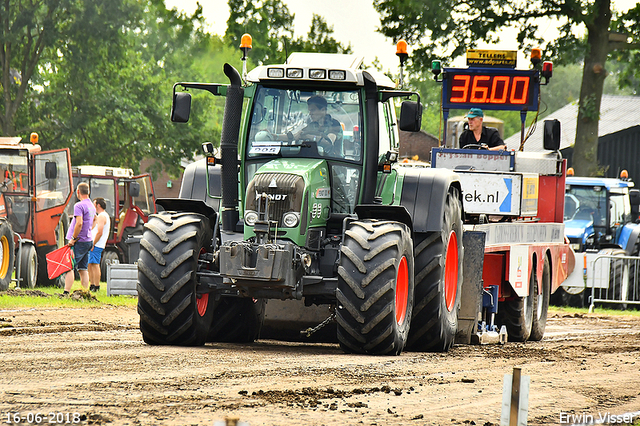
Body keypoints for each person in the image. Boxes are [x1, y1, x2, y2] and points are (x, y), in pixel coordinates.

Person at [63, 182, 95, 295]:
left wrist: (73, 238)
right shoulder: (92, 206)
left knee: (69, 266)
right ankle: (85, 292)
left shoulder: (79, 205)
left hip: (79, 241)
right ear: (88, 192)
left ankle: (66, 292)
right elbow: (93, 220)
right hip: (88, 240)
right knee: (83, 269)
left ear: (78, 192)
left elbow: (79, 223)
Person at [88, 197, 110, 292]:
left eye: (94, 204)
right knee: (90, 263)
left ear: (98, 205)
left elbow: (100, 232)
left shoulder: (102, 216)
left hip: (97, 244)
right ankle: (92, 283)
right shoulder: (100, 216)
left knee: (95, 264)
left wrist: (93, 243)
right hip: (95, 243)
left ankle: (96, 285)